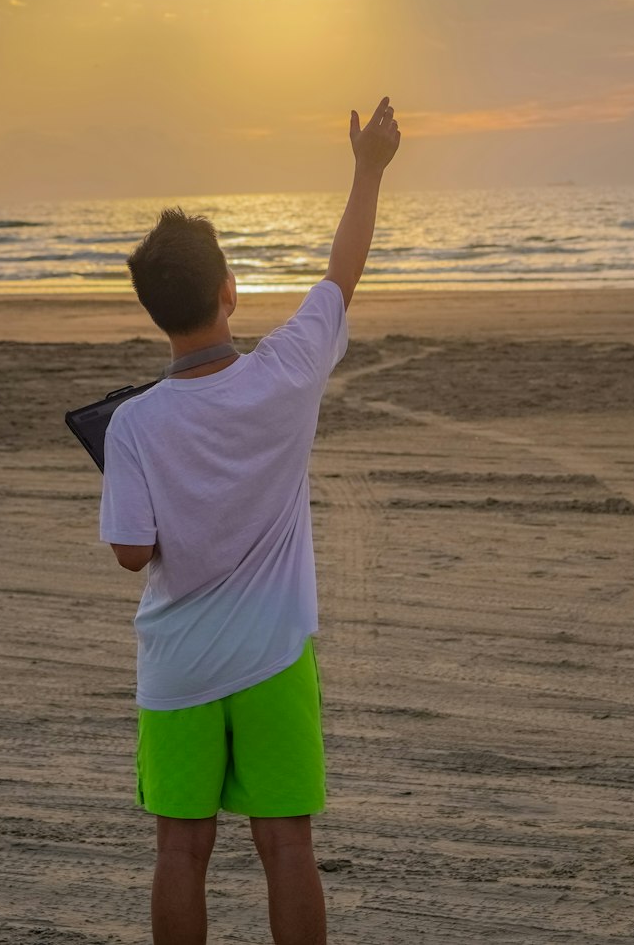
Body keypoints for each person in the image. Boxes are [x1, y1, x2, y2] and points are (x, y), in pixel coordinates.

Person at [99, 96, 401, 945]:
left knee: (181, 847)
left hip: (181, 664)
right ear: (231, 292)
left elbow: (131, 552)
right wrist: (367, 169)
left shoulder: (135, 425)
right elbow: (342, 275)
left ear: (153, 312)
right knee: (287, 844)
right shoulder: (285, 374)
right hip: (273, 653)